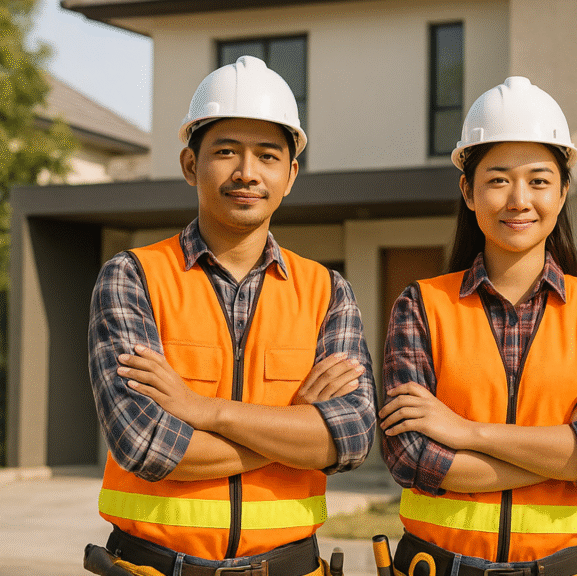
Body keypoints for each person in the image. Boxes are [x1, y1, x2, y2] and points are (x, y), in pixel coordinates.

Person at [86, 55, 375, 576]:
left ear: (290, 175)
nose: (247, 173)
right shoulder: (133, 277)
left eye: (267, 156)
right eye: (226, 152)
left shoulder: (328, 292)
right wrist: (298, 429)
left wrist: (203, 410)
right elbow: (146, 443)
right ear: (190, 164)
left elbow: (351, 439)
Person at [378, 76, 577, 576]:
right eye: (498, 179)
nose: (519, 199)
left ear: (563, 192)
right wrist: (565, 449)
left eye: (539, 180)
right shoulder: (420, 306)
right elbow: (410, 456)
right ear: (468, 191)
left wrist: (465, 432)